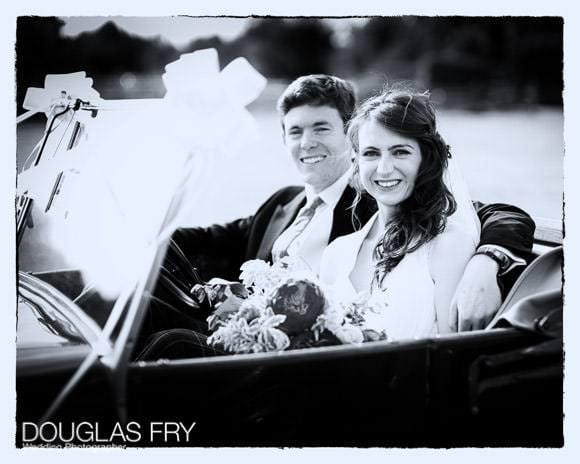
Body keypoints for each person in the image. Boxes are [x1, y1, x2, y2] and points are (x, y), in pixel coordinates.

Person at [153, 74, 535, 339]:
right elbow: (209, 238)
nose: (307, 143)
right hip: (263, 343)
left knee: (166, 340)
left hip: (340, 369)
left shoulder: (379, 195)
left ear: (347, 136)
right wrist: (138, 225)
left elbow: (496, 214)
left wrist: (488, 260)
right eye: (295, 132)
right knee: (144, 293)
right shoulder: (283, 204)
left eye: (320, 128)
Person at [320, 87, 479, 339]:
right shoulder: (335, 253)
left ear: (426, 159)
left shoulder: (448, 246)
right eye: (371, 153)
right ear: (357, 161)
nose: (384, 169)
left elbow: (453, 355)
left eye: (400, 152)